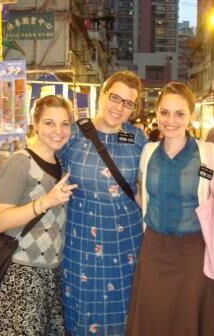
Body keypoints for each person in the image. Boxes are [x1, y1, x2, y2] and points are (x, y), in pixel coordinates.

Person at [126, 82, 214, 336]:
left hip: (193, 251)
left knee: (188, 318)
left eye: (180, 113)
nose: (171, 120)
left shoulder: (209, 154)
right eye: (165, 112)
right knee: (153, 316)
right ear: (157, 113)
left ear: (191, 115)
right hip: (154, 248)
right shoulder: (147, 152)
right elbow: (145, 195)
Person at [58, 71, 148, 335]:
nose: (119, 107)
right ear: (102, 94)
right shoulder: (72, 134)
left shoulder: (137, 138)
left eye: (128, 103)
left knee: (125, 314)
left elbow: (150, 186)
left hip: (126, 246)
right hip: (82, 243)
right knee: (83, 313)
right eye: (115, 97)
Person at [0, 95, 77, 335]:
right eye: (49, 123)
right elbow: (0, 221)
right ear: (36, 124)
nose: (58, 131)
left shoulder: (62, 164)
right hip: (22, 272)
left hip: (53, 273)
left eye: (64, 124)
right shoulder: (20, 162)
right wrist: (45, 202)